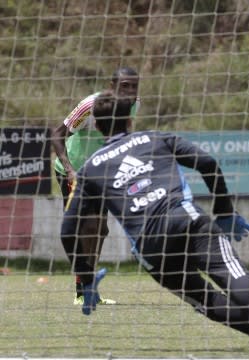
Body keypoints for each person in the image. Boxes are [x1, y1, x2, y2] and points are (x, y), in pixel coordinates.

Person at [60, 90, 249, 354]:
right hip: (186, 220)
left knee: (203, 299)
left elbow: (69, 231)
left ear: (97, 125)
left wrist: (85, 276)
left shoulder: (90, 169)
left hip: (150, 247)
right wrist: (224, 211)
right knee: (231, 273)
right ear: (129, 121)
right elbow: (208, 163)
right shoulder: (155, 139)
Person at [52, 67, 140, 306]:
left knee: (100, 230)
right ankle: (82, 291)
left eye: (134, 86)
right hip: (74, 171)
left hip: (101, 173)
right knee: (87, 227)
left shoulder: (133, 105)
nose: (130, 91)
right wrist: (70, 170)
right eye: (125, 86)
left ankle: (89, 288)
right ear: (112, 85)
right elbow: (57, 135)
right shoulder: (90, 105)